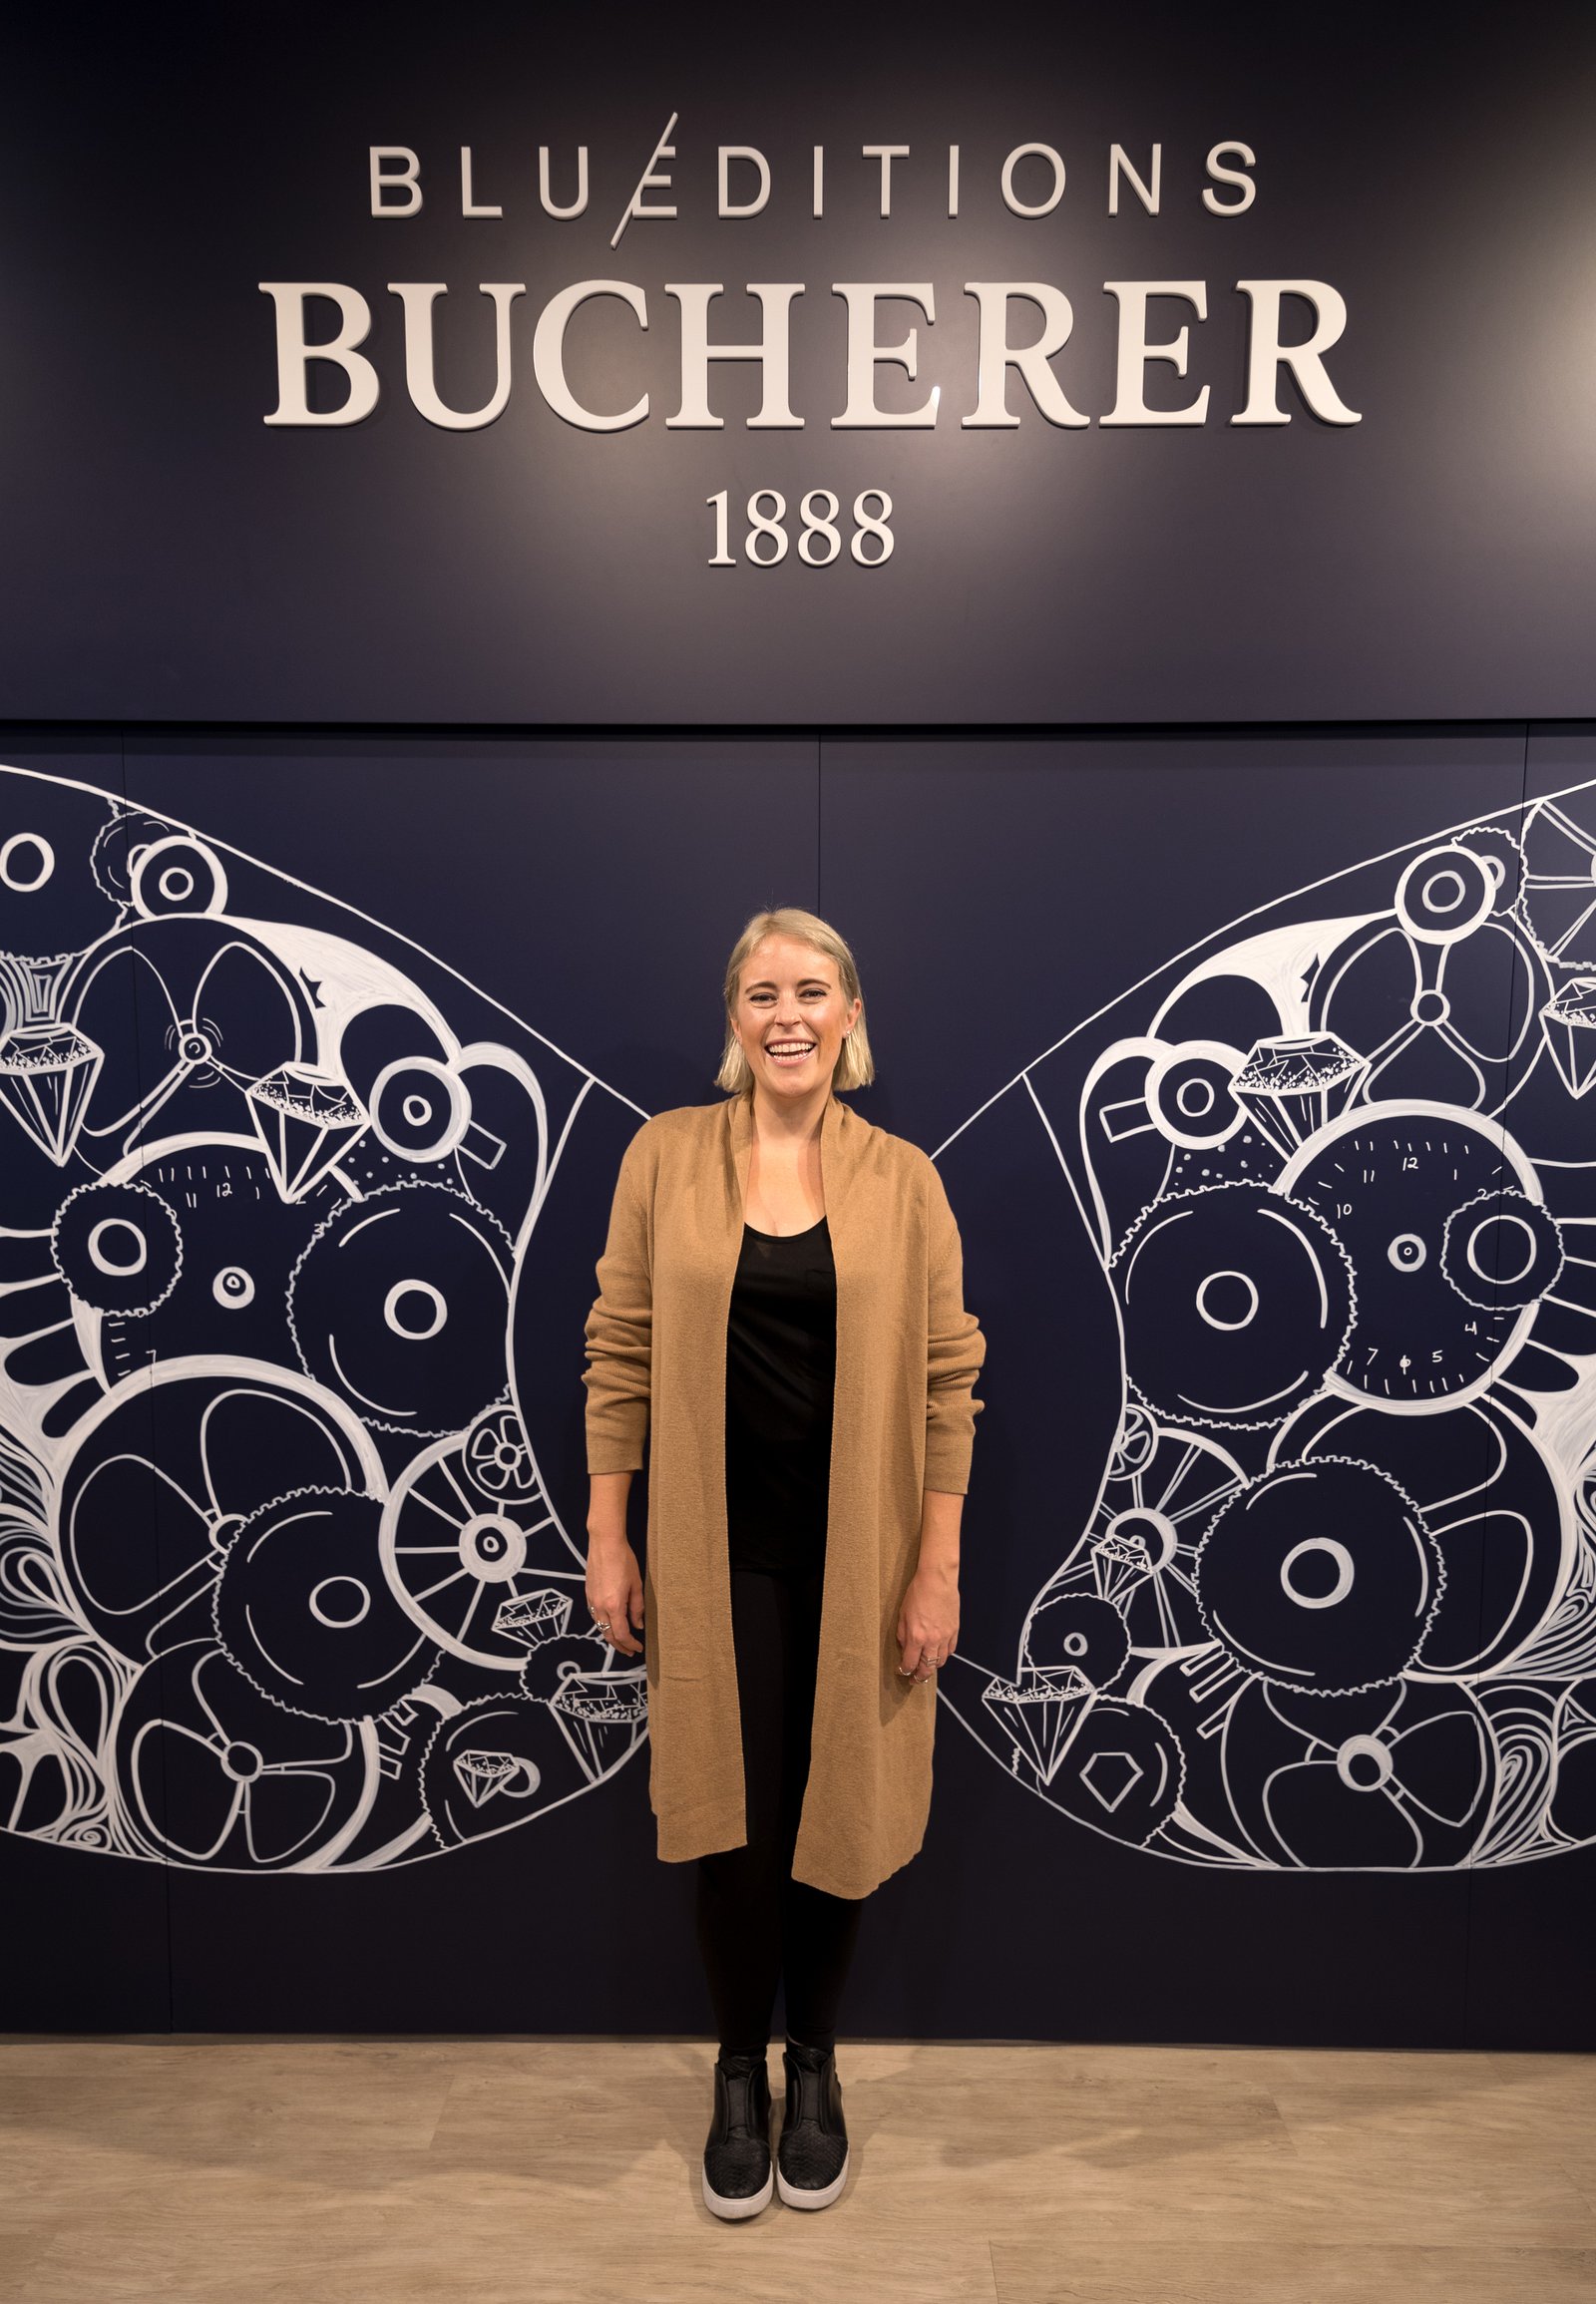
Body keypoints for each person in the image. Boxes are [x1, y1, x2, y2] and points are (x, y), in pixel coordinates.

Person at [583, 908, 985, 2220]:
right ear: (735, 1016)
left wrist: (937, 1567)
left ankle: (814, 2063)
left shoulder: (905, 1182)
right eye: (763, 993)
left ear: (851, 1013)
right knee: (732, 1830)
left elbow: (949, 1381)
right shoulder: (663, 1157)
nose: (787, 1015)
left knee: (841, 1816)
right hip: (719, 1560)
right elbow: (619, 1348)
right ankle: (736, 2073)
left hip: (862, 1559)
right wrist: (609, 1534)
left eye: (812, 991)